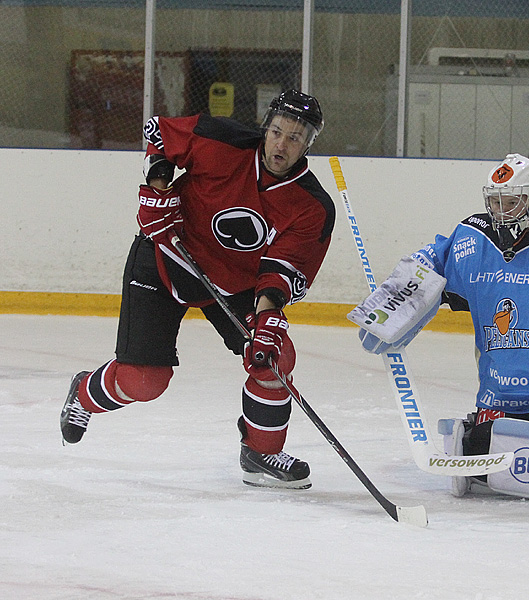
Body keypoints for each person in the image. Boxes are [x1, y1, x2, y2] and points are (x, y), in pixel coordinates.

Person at [60, 90, 335, 490]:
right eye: (277, 131)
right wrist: (158, 192)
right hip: (166, 255)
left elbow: (281, 270)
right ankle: (85, 392)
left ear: (309, 144)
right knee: (144, 382)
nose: (282, 144)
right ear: (266, 127)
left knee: (275, 355)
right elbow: (160, 136)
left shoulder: (312, 206)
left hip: (234, 283)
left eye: (295, 137)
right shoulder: (221, 140)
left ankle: (260, 453)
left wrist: (268, 316)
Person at [349, 153, 529, 479]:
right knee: (484, 466)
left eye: (512, 202)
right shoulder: (471, 239)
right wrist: (390, 304)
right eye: (495, 203)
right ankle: (478, 431)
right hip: (502, 400)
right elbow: (428, 267)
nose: (501, 212)